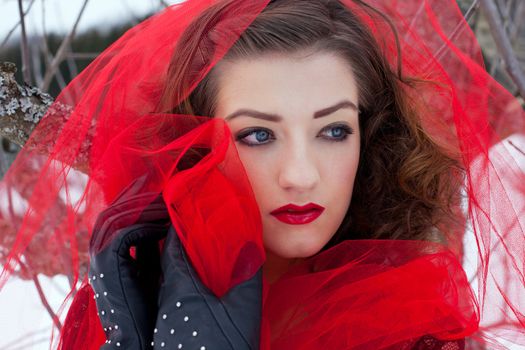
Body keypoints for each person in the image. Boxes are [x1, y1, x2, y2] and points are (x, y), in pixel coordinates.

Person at [0, 0, 523, 349]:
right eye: (257, 135)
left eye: (335, 131)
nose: (300, 176)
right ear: (193, 141)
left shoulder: (407, 320)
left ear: (371, 134)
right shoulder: (127, 297)